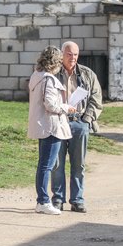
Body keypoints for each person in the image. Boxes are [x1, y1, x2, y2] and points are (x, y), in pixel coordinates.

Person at [51, 41, 103, 214]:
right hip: (58, 122)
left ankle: (77, 200)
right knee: (57, 163)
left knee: (78, 164)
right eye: (68, 54)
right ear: (62, 54)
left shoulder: (87, 74)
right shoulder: (53, 73)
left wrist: (86, 120)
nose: (72, 58)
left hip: (79, 123)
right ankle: (57, 200)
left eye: (75, 54)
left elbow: (96, 99)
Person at [27, 46, 75, 215]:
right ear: (55, 62)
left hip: (42, 125)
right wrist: (66, 107)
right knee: (46, 165)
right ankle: (43, 201)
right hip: (51, 126)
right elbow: (50, 104)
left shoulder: (36, 76)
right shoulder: (49, 79)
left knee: (45, 164)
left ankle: (43, 200)